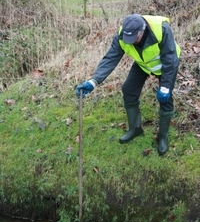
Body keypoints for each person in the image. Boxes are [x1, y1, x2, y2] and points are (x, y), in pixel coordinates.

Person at [76, 14, 181, 155]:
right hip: (143, 64)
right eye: (128, 39)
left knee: (165, 98)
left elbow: (170, 58)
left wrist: (166, 86)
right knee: (128, 89)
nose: (131, 42)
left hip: (166, 65)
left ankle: (163, 137)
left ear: (142, 30)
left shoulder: (161, 29)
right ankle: (135, 129)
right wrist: (93, 81)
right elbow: (111, 58)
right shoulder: (123, 35)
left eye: (135, 39)